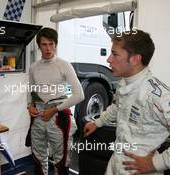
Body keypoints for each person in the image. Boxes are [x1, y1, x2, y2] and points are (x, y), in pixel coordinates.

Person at [84, 30, 170, 175]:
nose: (109, 59)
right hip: (116, 161)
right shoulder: (124, 83)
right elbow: (118, 106)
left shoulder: (158, 96)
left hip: (140, 169)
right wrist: (98, 122)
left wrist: (156, 163)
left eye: (115, 54)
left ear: (135, 59)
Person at [27, 27, 84, 175]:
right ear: (39, 46)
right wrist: (29, 106)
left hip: (58, 114)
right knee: (38, 159)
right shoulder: (33, 67)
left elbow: (79, 95)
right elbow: (31, 90)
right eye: (44, 44)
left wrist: (54, 110)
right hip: (39, 114)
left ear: (56, 44)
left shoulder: (64, 65)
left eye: (51, 44)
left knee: (61, 161)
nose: (48, 48)